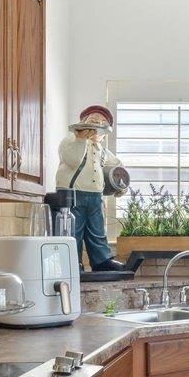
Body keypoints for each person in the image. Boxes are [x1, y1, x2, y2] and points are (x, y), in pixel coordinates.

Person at [56, 105, 127, 271]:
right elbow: (73, 159)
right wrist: (81, 138)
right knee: (73, 229)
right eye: (93, 122)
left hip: (95, 197)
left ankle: (102, 260)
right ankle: (73, 262)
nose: (97, 127)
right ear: (83, 123)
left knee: (97, 230)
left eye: (102, 124)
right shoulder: (70, 142)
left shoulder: (101, 150)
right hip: (72, 196)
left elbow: (117, 167)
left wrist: (121, 184)